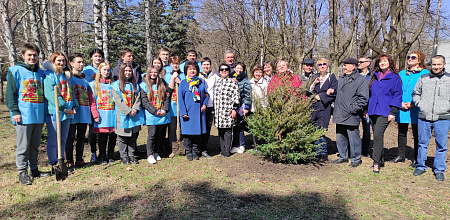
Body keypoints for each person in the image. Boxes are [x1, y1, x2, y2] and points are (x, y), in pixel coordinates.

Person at [6, 43, 50, 185]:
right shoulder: (15, 71)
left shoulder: (40, 73)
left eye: (35, 55)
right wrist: (14, 111)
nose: (32, 58)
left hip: (38, 115)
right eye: (29, 55)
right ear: (23, 55)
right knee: (23, 146)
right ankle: (22, 172)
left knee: (34, 145)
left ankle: (34, 169)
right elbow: (10, 94)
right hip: (24, 116)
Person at [412, 55, 450, 181]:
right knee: (422, 143)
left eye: (439, 64)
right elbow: (415, 93)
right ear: (430, 65)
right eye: (434, 64)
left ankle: (439, 169)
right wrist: (421, 105)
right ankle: (420, 166)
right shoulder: (423, 78)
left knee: (441, 145)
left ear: (444, 64)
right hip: (424, 116)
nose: (436, 67)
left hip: (443, 117)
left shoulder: (449, 79)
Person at [43, 51, 79, 169]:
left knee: (63, 139)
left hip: (67, 112)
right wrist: (64, 108)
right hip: (55, 113)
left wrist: (74, 106)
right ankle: (54, 162)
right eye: (59, 60)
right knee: (54, 139)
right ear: (53, 61)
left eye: (63, 60)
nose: (61, 63)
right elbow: (51, 94)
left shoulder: (65, 75)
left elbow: (70, 92)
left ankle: (61, 161)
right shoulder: (48, 75)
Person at [393, 51, 429, 166]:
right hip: (402, 106)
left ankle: (416, 158)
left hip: (416, 108)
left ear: (419, 60)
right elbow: (396, 89)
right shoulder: (402, 73)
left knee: (417, 133)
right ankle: (400, 155)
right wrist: (400, 103)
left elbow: (426, 91)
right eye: (409, 57)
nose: (410, 59)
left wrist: (413, 103)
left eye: (413, 57)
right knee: (402, 132)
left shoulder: (425, 73)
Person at [368, 54, 402, 173]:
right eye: (380, 62)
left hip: (385, 111)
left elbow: (397, 95)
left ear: (390, 63)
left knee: (377, 135)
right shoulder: (375, 76)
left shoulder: (395, 78)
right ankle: (381, 158)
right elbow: (370, 94)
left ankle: (376, 162)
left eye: (384, 61)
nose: (382, 63)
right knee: (376, 136)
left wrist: (393, 111)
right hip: (373, 110)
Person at [332, 58, 368, 167]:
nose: (343, 67)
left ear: (354, 66)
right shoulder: (341, 78)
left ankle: (356, 158)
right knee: (340, 136)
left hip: (351, 114)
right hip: (339, 112)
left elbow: (363, 98)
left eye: (346, 65)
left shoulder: (361, 80)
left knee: (353, 137)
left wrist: (352, 108)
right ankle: (343, 156)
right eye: (343, 65)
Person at [66, 53, 99, 169]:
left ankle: (79, 159)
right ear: (71, 64)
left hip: (84, 113)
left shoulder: (85, 80)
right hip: (73, 113)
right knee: (70, 137)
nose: (81, 64)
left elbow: (91, 97)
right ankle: (69, 160)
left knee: (81, 137)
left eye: (82, 62)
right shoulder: (69, 78)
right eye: (78, 62)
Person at [140, 65, 174, 164]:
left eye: (155, 72)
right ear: (148, 73)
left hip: (162, 113)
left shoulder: (162, 83)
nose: (153, 74)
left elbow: (167, 97)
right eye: (151, 72)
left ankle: (156, 152)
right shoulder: (144, 85)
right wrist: (154, 111)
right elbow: (144, 101)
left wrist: (165, 109)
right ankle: (149, 154)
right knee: (152, 134)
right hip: (152, 115)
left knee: (159, 134)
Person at [111, 62, 144, 165]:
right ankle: (124, 156)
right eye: (126, 71)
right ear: (122, 72)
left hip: (134, 114)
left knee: (133, 136)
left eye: (129, 71)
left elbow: (138, 98)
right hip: (123, 114)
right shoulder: (116, 86)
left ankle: (132, 154)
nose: (128, 73)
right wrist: (128, 111)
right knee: (123, 137)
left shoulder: (135, 85)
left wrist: (134, 109)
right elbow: (118, 100)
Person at [178, 61, 210, 160]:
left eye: (194, 69)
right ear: (186, 71)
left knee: (197, 133)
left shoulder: (200, 82)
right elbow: (180, 99)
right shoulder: (183, 83)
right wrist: (183, 112)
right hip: (187, 112)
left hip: (198, 113)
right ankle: (188, 151)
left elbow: (206, 95)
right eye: (190, 69)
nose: (192, 71)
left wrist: (204, 104)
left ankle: (195, 151)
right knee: (187, 134)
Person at [309, 58, 338, 161]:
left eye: (324, 64)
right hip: (313, 107)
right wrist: (314, 84)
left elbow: (334, 92)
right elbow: (308, 91)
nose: (322, 66)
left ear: (327, 66)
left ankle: (322, 153)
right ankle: (316, 151)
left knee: (321, 129)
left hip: (325, 107)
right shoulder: (314, 77)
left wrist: (322, 97)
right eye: (320, 64)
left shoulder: (331, 77)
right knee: (313, 129)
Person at [89, 63, 117, 165]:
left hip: (112, 114)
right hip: (101, 115)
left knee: (113, 136)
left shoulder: (113, 84)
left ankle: (110, 154)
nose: (106, 72)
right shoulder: (94, 84)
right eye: (104, 70)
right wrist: (95, 114)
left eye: (108, 70)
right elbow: (92, 101)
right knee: (102, 137)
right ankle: (102, 155)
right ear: (100, 71)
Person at [214, 64, 240, 157]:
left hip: (228, 110)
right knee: (220, 130)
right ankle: (222, 148)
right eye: (222, 69)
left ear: (229, 71)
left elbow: (236, 97)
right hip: (218, 111)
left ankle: (227, 149)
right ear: (219, 71)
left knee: (228, 131)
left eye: (226, 69)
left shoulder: (233, 82)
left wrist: (234, 109)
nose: (224, 71)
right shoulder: (217, 82)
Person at [83, 48, 105, 163]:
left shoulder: (104, 69)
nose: (98, 58)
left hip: (103, 103)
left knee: (101, 129)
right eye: (96, 56)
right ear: (91, 57)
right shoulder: (86, 70)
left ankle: (102, 152)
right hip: (88, 101)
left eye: (100, 56)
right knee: (92, 129)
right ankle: (92, 152)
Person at [199, 57, 219, 159]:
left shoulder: (215, 76)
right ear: (201, 66)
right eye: (204, 64)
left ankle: (204, 148)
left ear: (210, 65)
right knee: (198, 127)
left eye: (208, 64)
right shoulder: (197, 76)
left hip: (210, 106)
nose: (206, 66)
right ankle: (197, 148)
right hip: (198, 106)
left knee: (207, 127)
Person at [230, 62, 251, 154]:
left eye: (241, 69)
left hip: (241, 106)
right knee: (234, 126)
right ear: (234, 68)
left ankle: (242, 145)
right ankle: (235, 144)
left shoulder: (245, 80)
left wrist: (246, 107)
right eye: (237, 68)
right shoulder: (231, 78)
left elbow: (247, 95)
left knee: (240, 125)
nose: (239, 70)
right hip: (232, 105)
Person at [164, 56, 181, 157]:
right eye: (173, 63)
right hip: (171, 108)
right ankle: (172, 148)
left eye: (177, 63)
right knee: (172, 129)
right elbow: (168, 91)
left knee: (181, 128)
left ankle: (182, 145)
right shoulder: (166, 76)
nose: (175, 65)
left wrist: (179, 81)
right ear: (170, 64)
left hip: (180, 108)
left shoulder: (182, 75)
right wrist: (173, 78)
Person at [249, 64, 269, 147]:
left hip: (263, 108)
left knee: (262, 126)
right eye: (256, 72)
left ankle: (262, 144)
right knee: (254, 127)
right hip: (253, 108)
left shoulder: (265, 83)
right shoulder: (250, 83)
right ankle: (255, 145)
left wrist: (265, 107)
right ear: (253, 73)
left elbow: (267, 97)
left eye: (260, 72)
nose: (258, 74)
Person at [358, 55, 373, 157]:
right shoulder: (355, 75)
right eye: (358, 62)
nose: (359, 64)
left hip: (368, 108)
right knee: (353, 129)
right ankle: (354, 149)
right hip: (355, 106)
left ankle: (365, 150)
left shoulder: (373, 76)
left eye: (361, 62)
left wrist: (367, 109)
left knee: (367, 130)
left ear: (368, 63)